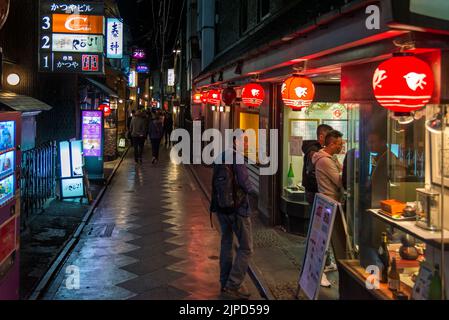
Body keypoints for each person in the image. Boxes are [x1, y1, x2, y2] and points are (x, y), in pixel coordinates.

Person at [210, 135, 255, 300]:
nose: (246, 143)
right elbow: (245, 183)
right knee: (246, 248)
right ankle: (233, 284)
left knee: (226, 243)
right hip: (238, 210)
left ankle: (224, 281)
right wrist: (254, 193)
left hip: (221, 208)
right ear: (235, 141)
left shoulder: (220, 156)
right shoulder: (237, 158)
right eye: (244, 140)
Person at [311, 130, 345, 288]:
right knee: (323, 240)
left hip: (329, 202)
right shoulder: (325, 161)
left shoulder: (331, 158)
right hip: (329, 203)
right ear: (331, 144)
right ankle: (320, 273)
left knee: (329, 238)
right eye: (339, 143)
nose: (341, 145)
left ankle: (326, 266)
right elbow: (339, 181)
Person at [302, 124, 333, 205]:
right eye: (328, 137)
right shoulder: (314, 151)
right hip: (314, 192)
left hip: (314, 191)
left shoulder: (317, 150)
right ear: (321, 137)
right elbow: (311, 172)